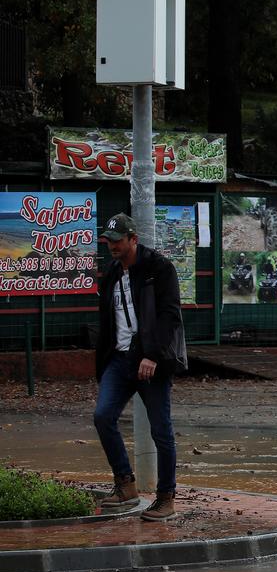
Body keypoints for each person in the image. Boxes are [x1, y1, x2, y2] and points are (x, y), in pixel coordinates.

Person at [93, 213, 186, 520]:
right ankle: (125, 485)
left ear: (133, 239)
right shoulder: (111, 274)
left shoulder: (158, 268)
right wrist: (104, 361)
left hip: (152, 361)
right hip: (119, 360)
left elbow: (170, 315)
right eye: (109, 241)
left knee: (161, 430)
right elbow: (108, 320)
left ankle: (166, 497)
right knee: (103, 416)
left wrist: (153, 355)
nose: (112, 246)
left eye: (118, 241)